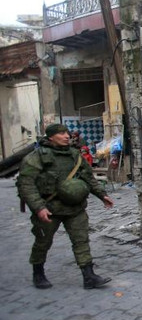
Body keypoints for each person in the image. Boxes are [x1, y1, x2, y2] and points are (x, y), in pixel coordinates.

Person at [16, 123, 114, 289]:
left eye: (67, 133)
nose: (66, 136)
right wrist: (39, 207)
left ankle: (89, 276)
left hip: (74, 207)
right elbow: (26, 184)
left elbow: (88, 178)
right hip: (49, 208)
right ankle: (38, 272)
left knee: (81, 240)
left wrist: (102, 195)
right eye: (61, 133)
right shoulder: (37, 157)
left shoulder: (75, 155)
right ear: (51, 137)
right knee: (43, 242)